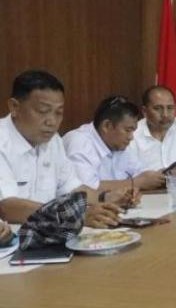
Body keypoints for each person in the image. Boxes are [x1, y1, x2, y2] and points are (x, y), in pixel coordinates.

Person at [0, 70, 126, 227]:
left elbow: (72, 189)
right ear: (14, 107)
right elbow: (7, 207)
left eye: (58, 113)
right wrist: (72, 216)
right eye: (43, 111)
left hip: (47, 232)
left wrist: (105, 198)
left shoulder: (53, 141)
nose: (52, 121)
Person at [63, 95, 165, 193]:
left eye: (133, 131)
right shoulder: (79, 142)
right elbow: (85, 189)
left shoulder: (118, 144)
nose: (131, 137)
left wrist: (160, 176)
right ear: (107, 126)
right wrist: (135, 183)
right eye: (128, 130)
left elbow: (140, 172)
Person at [130, 85, 176, 176]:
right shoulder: (133, 133)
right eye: (158, 108)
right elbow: (126, 174)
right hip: (146, 185)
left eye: (170, 108)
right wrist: (153, 178)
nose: (165, 115)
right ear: (145, 111)